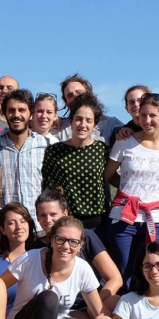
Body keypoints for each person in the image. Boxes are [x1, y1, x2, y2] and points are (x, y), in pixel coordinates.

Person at [104, 93, 159, 287]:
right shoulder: (125, 142)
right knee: (125, 274)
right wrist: (126, 190)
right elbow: (108, 175)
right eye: (143, 115)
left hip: (156, 217)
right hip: (124, 218)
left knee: (157, 271)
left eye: (152, 115)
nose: (147, 121)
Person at [0, 216, 104, 319]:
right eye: (60, 239)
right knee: (49, 298)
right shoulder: (30, 259)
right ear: (52, 240)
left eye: (73, 242)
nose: (66, 246)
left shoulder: (82, 268)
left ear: (80, 245)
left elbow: (99, 312)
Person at [29, 189, 123, 304]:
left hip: (89, 303)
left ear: (65, 213)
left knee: (116, 302)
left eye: (53, 214)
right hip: (54, 307)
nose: (48, 220)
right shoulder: (36, 248)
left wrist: (94, 304)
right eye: (43, 215)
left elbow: (115, 278)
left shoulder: (86, 236)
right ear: (37, 218)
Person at [42, 92, 109, 230]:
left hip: (98, 222)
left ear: (95, 125)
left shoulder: (101, 150)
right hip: (66, 221)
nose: (82, 124)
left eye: (88, 120)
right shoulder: (55, 151)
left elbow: (111, 178)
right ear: (71, 122)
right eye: (78, 119)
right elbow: (48, 187)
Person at [0, 89, 49, 227]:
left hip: (39, 225)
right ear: (4, 113)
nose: (16, 115)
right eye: (11, 110)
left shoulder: (46, 145)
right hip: (4, 226)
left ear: (31, 114)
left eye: (22, 110)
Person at [0, 203, 35, 317]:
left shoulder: (39, 257)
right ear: (3, 229)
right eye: (11, 223)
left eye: (23, 221)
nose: (19, 227)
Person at [55, 74, 122, 145]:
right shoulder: (59, 127)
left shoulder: (111, 124)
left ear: (89, 93)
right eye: (70, 95)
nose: (75, 96)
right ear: (66, 102)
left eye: (79, 92)